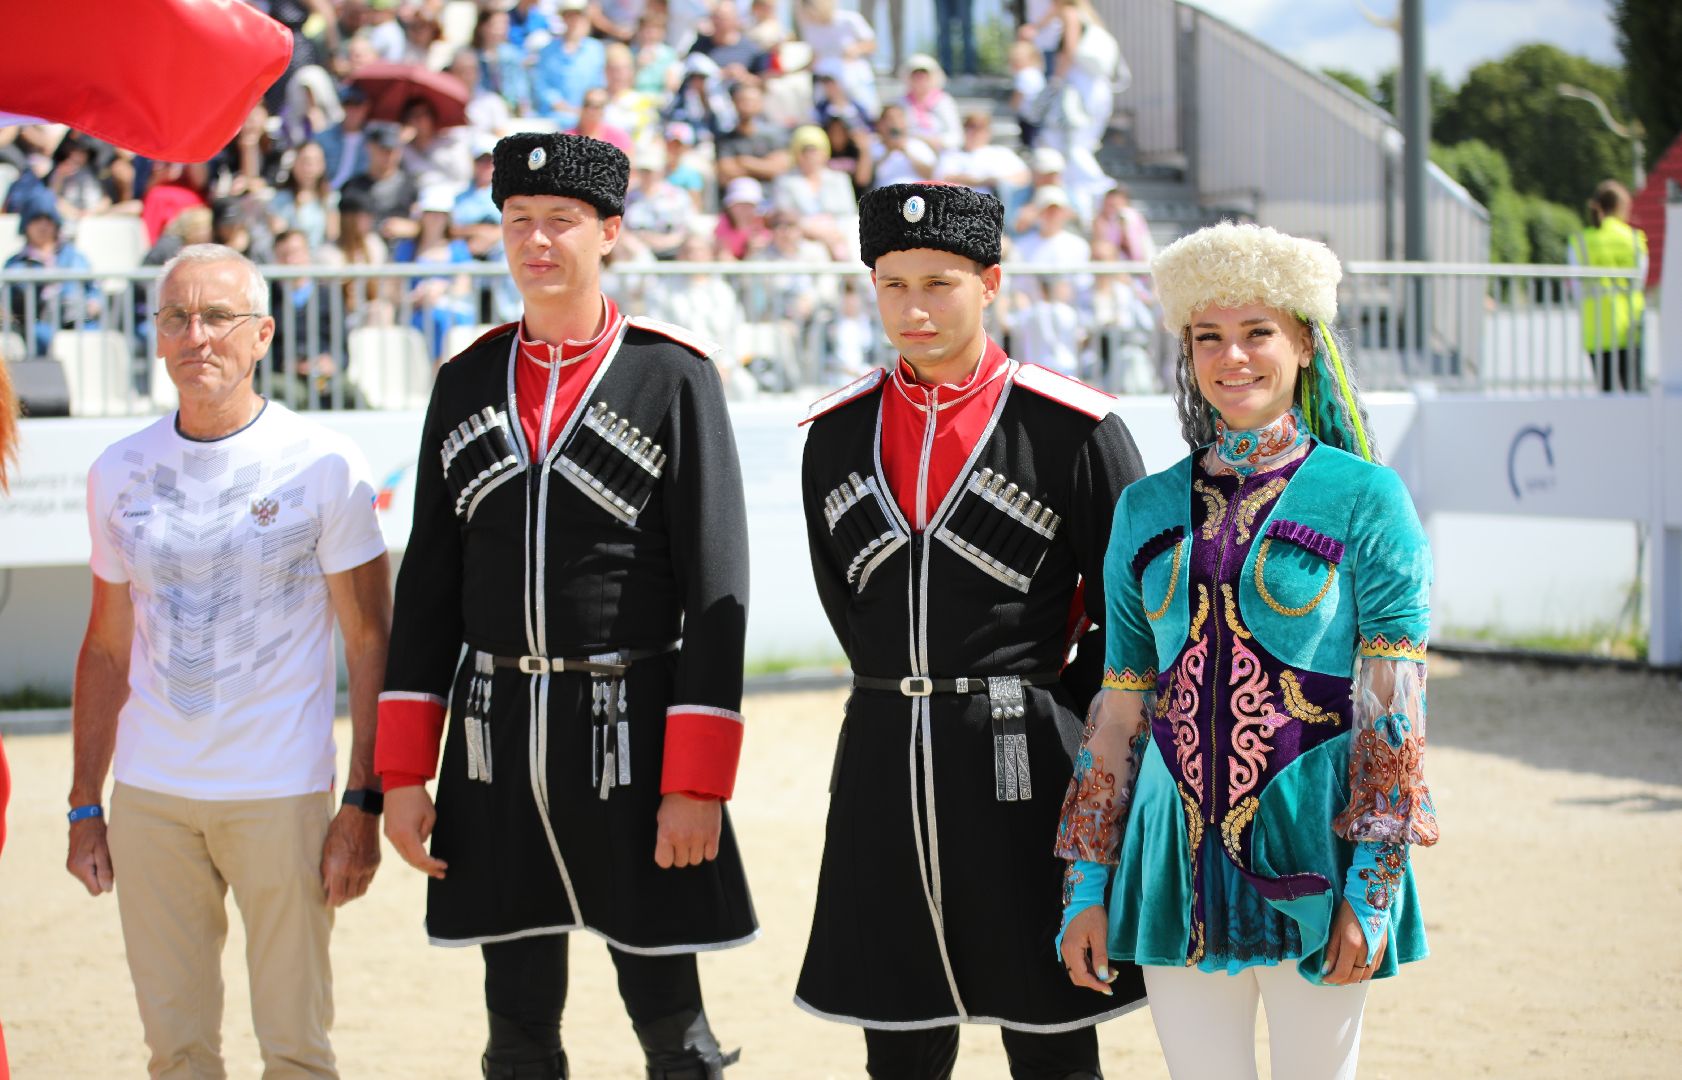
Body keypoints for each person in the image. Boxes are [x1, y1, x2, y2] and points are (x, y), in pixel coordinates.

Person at [376, 132, 756, 1080]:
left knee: (671, 1020)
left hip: (628, 728)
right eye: (518, 222)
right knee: (516, 1023)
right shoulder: (465, 379)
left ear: (610, 232)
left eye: (561, 222)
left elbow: (719, 584)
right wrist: (404, 771)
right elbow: (428, 582)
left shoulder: (672, 377)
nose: (537, 241)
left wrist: (696, 781)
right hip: (495, 735)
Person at [1055, 222, 1439, 1079]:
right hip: (1168, 861)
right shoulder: (1145, 508)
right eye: (1208, 337)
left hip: (1318, 847)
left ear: (1305, 341)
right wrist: (1086, 883)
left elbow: (1392, 703)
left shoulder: (1366, 497)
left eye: (1258, 331)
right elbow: (1121, 703)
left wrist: (1373, 882)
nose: (1234, 357)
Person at [795, 181, 1148, 1079]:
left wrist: (1047, 713)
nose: (914, 308)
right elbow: (850, 606)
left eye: (939, 283)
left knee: (1052, 1036)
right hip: (883, 758)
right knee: (899, 1044)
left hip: (1023, 762)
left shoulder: (1072, 430)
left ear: (992, 281)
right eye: (893, 283)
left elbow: (1133, 625)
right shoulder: (835, 435)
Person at [65, 243, 391, 1078]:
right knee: (174, 1053)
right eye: (175, 317)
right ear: (156, 335)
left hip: (278, 796)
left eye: (217, 317)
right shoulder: (117, 471)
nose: (195, 336)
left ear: (262, 336)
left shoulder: (324, 464)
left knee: (295, 1051)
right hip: (150, 800)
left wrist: (362, 800)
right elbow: (106, 647)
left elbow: (370, 641)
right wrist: (83, 804)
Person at [1568, 179, 1648, 393]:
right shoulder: (1633, 238)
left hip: (1596, 331)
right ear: (1622, 206)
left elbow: (1575, 287)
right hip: (1629, 329)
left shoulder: (1581, 241)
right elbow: (1641, 281)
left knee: (1607, 400)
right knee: (1636, 396)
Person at [3, 207, 100, 355]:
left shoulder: (75, 256)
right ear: (26, 225)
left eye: (48, 220)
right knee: (42, 337)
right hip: (39, 322)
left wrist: (94, 301)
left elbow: (94, 289)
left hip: (77, 320)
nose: (43, 225)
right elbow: (8, 302)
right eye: (36, 220)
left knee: (95, 337)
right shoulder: (16, 263)